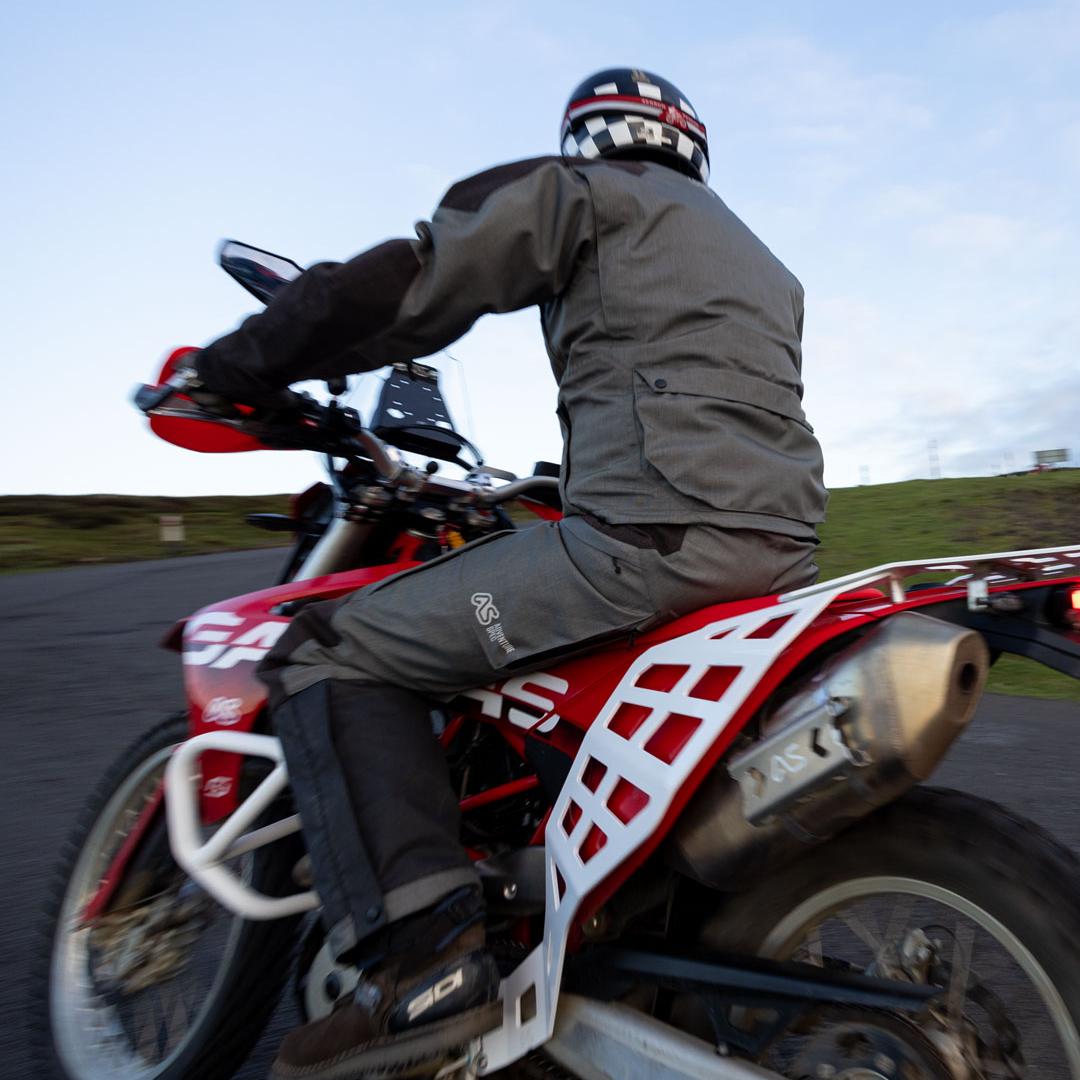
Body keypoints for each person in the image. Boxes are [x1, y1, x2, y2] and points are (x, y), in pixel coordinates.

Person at [189, 67, 828, 1080]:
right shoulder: (762, 263)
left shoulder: (586, 194)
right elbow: (697, 403)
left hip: (645, 546)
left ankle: (424, 962)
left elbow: (414, 284)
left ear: (595, 134)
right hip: (778, 561)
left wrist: (243, 359)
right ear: (690, 144)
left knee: (333, 654)